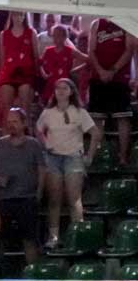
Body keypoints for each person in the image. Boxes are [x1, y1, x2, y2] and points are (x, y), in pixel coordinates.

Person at [0, 107, 43, 271]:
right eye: (9, 122)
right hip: (3, 200)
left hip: (27, 198)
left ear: (24, 123)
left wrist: (39, 191)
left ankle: (33, 274)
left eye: (15, 122)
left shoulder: (34, 144)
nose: (11, 125)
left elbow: (42, 169)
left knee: (29, 239)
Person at [38, 78, 94, 247]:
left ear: (71, 91)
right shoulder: (48, 112)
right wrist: (46, 143)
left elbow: (95, 133)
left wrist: (89, 155)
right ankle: (54, 237)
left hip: (73, 157)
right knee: (54, 200)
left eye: (64, 88)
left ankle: (79, 236)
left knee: (74, 199)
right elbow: (38, 129)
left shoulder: (79, 112)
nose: (60, 91)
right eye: (57, 88)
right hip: (53, 157)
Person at [86, 17, 135, 165]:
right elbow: (91, 51)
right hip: (98, 77)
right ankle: (94, 155)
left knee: (122, 117)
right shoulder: (96, 24)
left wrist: (113, 70)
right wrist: (101, 71)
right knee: (97, 118)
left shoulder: (127, 22)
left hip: (120, 77)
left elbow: (129, 50)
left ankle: (123, 158)